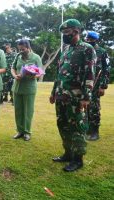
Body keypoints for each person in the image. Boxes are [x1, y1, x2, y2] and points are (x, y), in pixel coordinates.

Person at [50, 19, 96, 172]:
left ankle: (78, 159)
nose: (64, 35)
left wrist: (86, 97)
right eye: (63, 32)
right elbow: (59, 74)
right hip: (61, 96)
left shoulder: (87, 49)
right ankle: (68, 154)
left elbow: (90, 74)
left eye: (67, 32)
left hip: (76, 98)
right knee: (62, 124)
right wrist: (53, 93)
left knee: (77, 127)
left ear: (76, 31)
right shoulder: (66, 51)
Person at [11, 39, 43, 141]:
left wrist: (33, 75)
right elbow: (13, 68)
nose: (21, 51)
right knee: (18, 110)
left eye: (23, 49)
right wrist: (15, 75)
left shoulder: (36, 57)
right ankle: (20, 131)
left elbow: (40, 72)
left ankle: (27, 132)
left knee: (28, 110)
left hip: (29, 88)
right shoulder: (18, 56)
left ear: (28, 48)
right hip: (17, 87)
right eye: (19, 49)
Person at [85, 31, 111, 141]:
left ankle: (95, 132)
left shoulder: (102, 52)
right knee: (84, 107)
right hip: (84, 84)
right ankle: (86, 129)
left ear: (95, 40)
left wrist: (103, 86)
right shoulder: (84, 50)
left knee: (93, 108)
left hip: (96, 85)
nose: (88, 40)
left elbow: (106, 69)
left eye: (91, 39)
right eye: (87, 38)